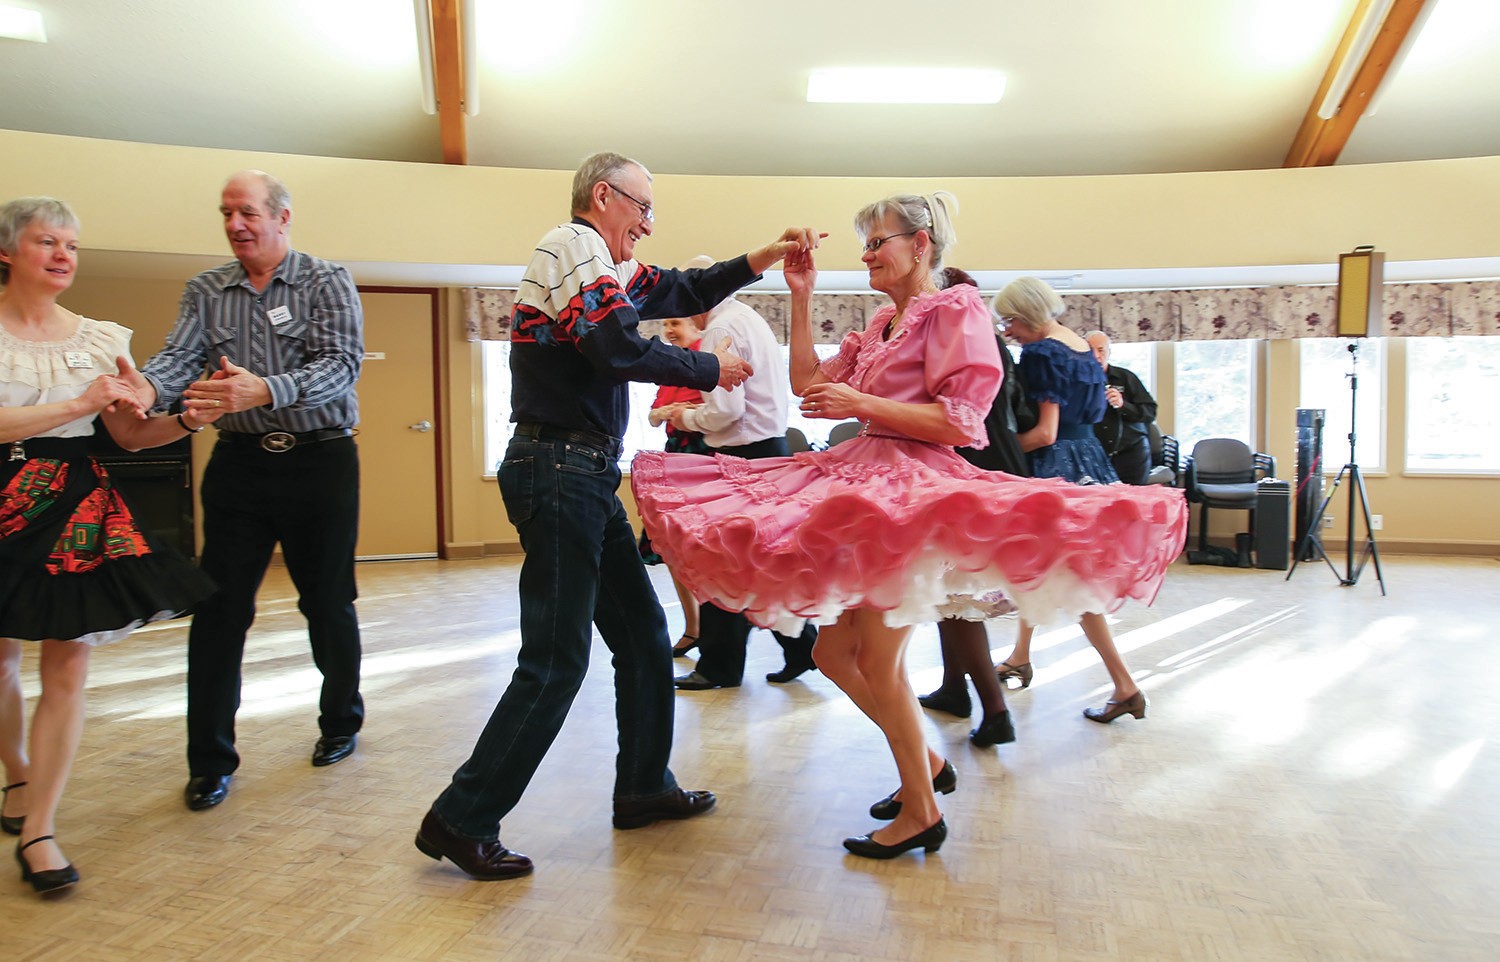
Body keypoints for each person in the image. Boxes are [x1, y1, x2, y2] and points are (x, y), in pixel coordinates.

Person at [632, 194, 1187, 861]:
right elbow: (809, 382)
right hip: (863, 483)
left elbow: (962, 422)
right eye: (864, 245)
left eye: (877, 243)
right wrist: (801, 297)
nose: (866, 255)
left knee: (874, 659)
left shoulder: (957, 311)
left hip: (909, 495)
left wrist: (862, 402)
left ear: (920, 244)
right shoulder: (882, 324)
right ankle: (925, 764)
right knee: (832, 655)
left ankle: (921, 809)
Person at [414, 151, 823, 881]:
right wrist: (707, 369)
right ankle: (463, 817)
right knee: (556, 661)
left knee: (642, 636)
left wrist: (763, 255)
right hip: (559, 468)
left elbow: (680, 286)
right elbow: (611, 346)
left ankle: (642, 786)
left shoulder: (605, 263)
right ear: (604, 196)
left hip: (584, 472)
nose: (648, 223)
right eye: (643, 207)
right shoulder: (571, 245)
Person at [1, 196, 219, 894]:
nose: (63, 255)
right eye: (46, 242)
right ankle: (16, 775)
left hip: (74, 505)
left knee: (67, 664)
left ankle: (40, 829)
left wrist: (187, 418)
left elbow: (128, 432)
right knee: (1, 657)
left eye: (72, 244)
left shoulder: (100, 337)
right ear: (8, 252)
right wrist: (76, 404)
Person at [132, 170, 367, 812]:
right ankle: (209, 760)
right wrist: (143, 391)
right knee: (218, 610)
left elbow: (341, 364)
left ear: (281, 217)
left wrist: (263, 388)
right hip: (237, 465)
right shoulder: (206, 290)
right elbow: (178, 360)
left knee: (326, 600)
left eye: (247, 212)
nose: (236, 224)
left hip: (321, 462)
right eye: (226, 213)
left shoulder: (326, 280)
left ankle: (341, 721)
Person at [992, 278, 1155, 722]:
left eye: (1010, 322)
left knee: (1069, 577)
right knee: (1041, 568)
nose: (1008, 332)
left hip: (1055, 467)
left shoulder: (1043, 353)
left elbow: (1045, 432)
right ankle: (1020, 656)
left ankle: (1125, 685)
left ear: (1027, 315)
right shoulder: (1083, 348)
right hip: (1090, 461)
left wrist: (990, 456)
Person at [667, 256, 818, 692]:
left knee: (721, 564)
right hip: (768, 452)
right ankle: (798, 649)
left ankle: (720, 666)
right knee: (756, 566)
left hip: (742, 457)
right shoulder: (748, 316)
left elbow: (725, 412)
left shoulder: (719, 328)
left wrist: (684, 416)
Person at [916, 268, 1026, 746]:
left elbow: (955, 414)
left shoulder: (960, 331)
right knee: (949, 595)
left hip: (970, 466)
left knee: (956, 598)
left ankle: (995, 708)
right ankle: (954, 688)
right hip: (984, 460)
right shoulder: (986, 336)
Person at [639, 314, 708, 655]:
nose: (668, 331)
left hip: (704, 457)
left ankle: (712, 631)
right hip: (675, 456)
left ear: (697, 326)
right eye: (665, 325)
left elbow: (712, 410)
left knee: (705, 549)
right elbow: (654, 415)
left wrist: (675, 410)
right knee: (673, 548)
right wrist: (672, 410)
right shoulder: (669, 365)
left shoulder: (707, 358)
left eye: (676, 323)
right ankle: (693, 629)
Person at [1086, 330, 1157, 485]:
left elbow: (1150, 413)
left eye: (1101, 350)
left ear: (1109, 352)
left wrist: (1123, 405)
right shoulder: (1078, 381)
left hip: (1131, 454)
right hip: (1095, 456)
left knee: (1132, 504)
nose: (1096, 356)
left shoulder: (1126, 377)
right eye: (1090, 351)